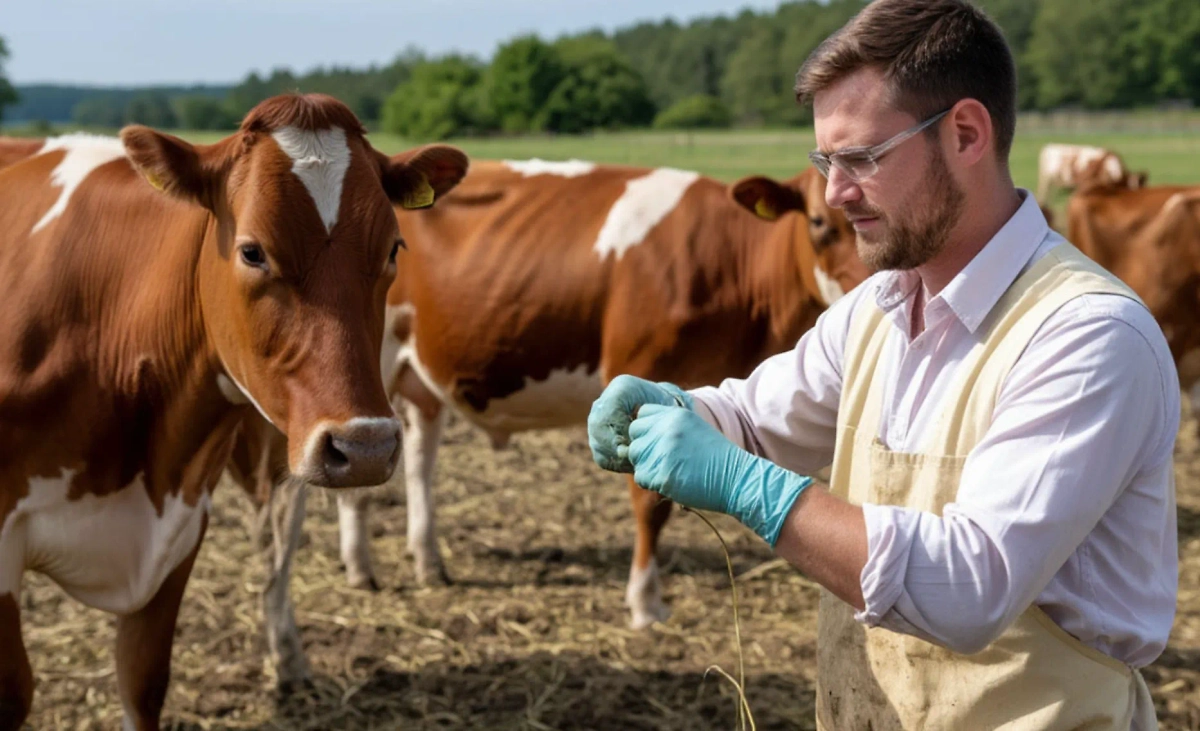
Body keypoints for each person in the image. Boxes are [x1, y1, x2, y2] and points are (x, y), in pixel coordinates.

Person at [586, 1, 1179, 729]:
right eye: (825, 162)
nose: (835, 193)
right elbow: (758, 417)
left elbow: (970, 586)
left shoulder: (1086, 336)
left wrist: (751, 489)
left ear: (965, 133)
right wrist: (681, 410)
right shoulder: (880, 308)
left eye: (862, 158)